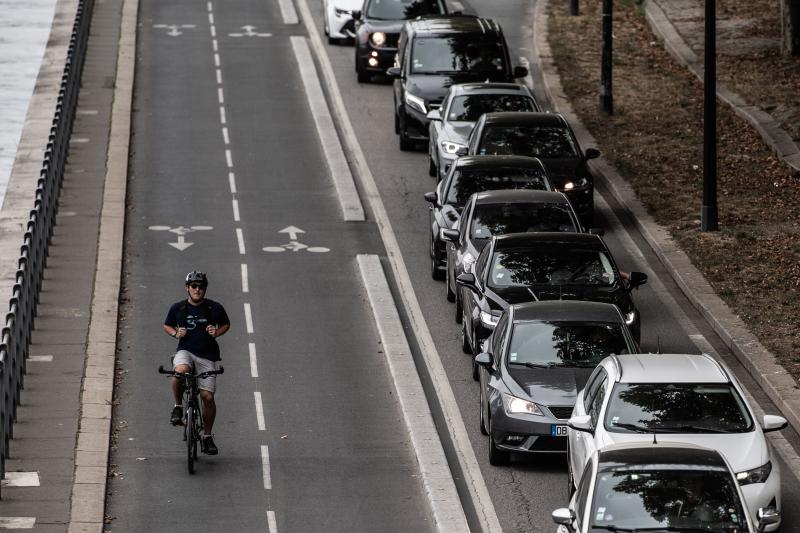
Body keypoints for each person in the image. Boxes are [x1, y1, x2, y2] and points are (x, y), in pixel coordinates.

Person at [163, 271, 230, 455]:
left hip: (207, 356)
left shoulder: (213, 308)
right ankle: (178, 407)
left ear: (205, 288)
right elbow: (167, 325)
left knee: (207, 397)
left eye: (201, 286)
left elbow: (226, 324)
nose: (197, 289)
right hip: (186, 351)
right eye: (194, 286)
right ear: (187, 288)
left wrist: (216, 333)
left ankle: (207, 436)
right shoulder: (179, 308)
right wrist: (175, 334)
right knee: (180, 371)